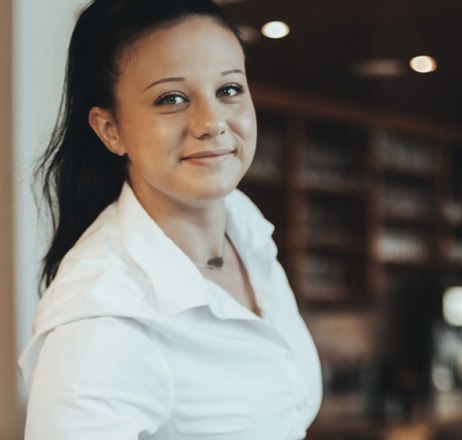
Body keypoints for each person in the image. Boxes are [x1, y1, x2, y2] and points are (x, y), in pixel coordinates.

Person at [18, 0, 323, 438]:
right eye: (172, 98)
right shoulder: (104, 318)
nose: (212, 122)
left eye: (229, 89)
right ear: (110, 130)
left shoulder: (248, 231)